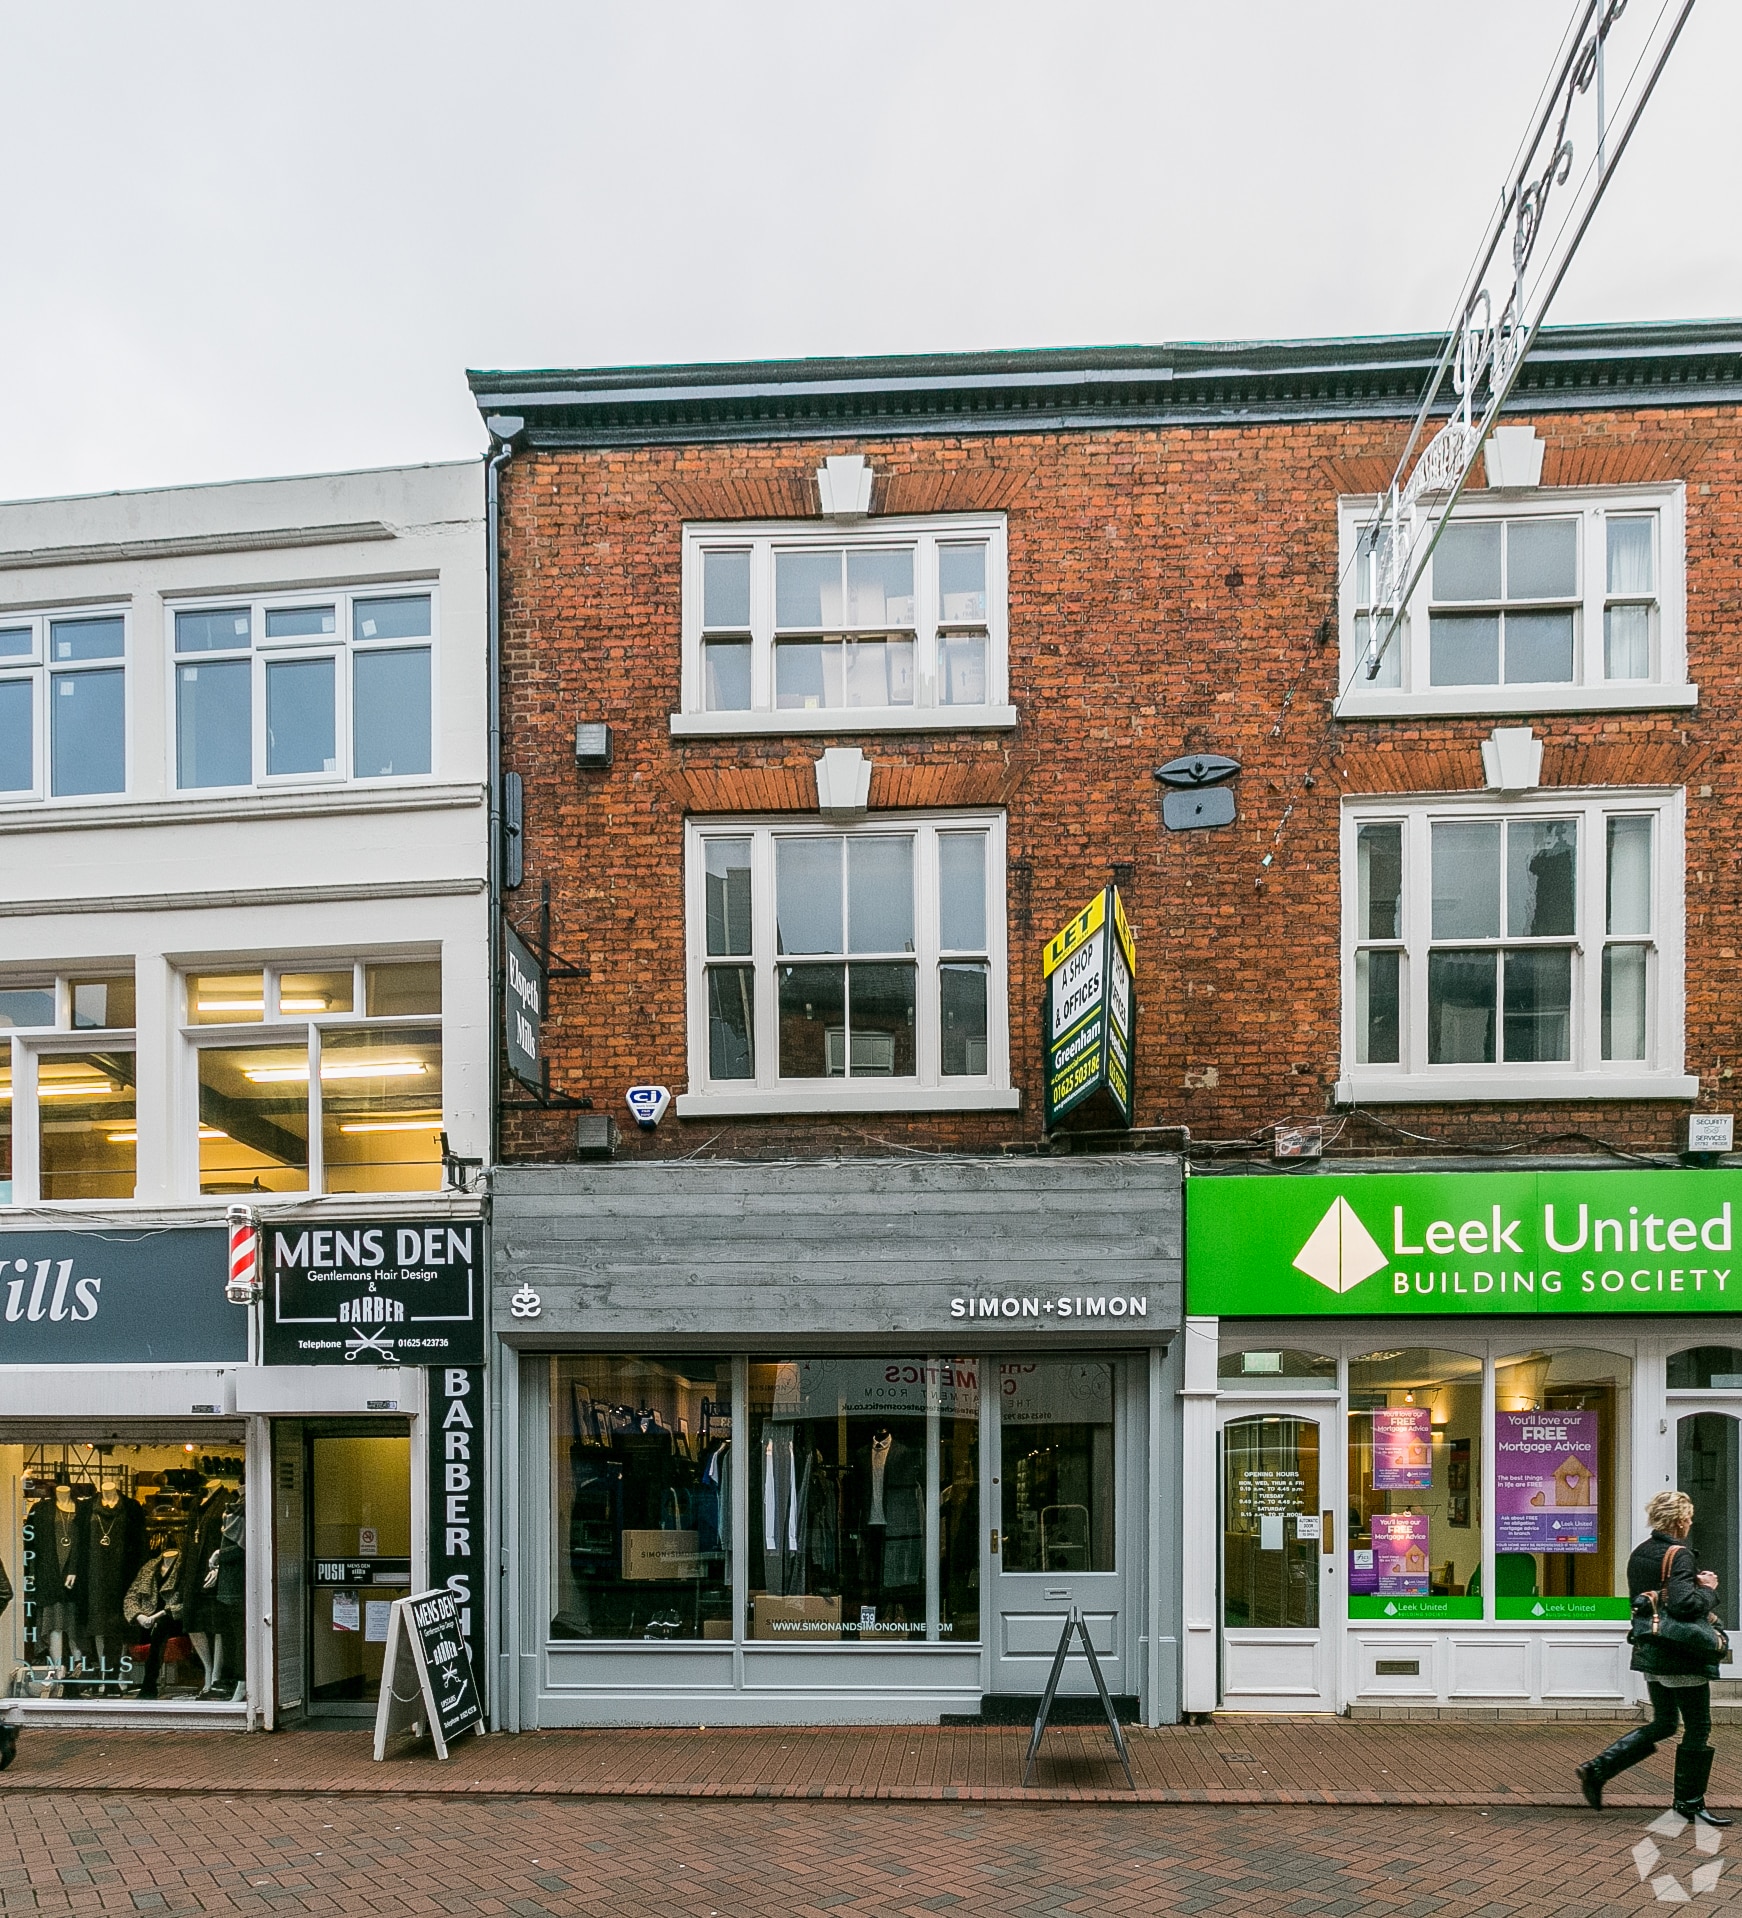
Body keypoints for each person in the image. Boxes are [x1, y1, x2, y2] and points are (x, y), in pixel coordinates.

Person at [1578, 1489, 1731, 1825]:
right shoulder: (1680, 1554)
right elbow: (1683, 1605)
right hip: (1681, 1654)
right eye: (1689, 1517)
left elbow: (1650, 1600)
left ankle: (1598, 1768)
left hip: (1653, 1649)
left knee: (1664, 1722)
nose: (1690, 1523)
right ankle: (1689, 1803)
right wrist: (1708, 1589)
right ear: (1679, 1520)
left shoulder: (1641, 1552)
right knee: (1698, 1727)